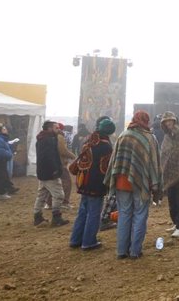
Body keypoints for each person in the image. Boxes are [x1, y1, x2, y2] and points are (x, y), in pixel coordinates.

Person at [104, 110, 162, 259]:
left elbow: (114, 161)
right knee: (140, 215)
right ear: (146, 121)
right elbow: (155, 163)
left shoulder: (123, 136)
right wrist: (155, 184)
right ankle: (135, 251)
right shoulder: (150, 138)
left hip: (122, 182)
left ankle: (121, 251)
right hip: (141, 184)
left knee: (124, 215)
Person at [69, 118, 116, 250]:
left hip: (83, 181)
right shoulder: (106, 146)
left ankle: (75, 239)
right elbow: (106, 168)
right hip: (96, 184)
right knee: (94, 213)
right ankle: (89, 241)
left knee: (82, 211)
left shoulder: (88, 140)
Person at [160, 111, 179, 238]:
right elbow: (165, 152)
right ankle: (176, 222)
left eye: (170, 121)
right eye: (166, 121)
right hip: (169, 173)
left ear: (175, 120)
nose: (168, 123)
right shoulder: (167, 136)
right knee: (172, 200)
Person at [33, 120, 70, 227]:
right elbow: (50, 157)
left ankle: (37, 216)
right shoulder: (50, 140)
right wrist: (55, 170)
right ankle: (56, 217)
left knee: (42, 195)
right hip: (50, 173)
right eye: (56, 128)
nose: (58, 130)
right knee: (59, 195)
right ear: (49, 129)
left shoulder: (40, 139)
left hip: (42, 171)